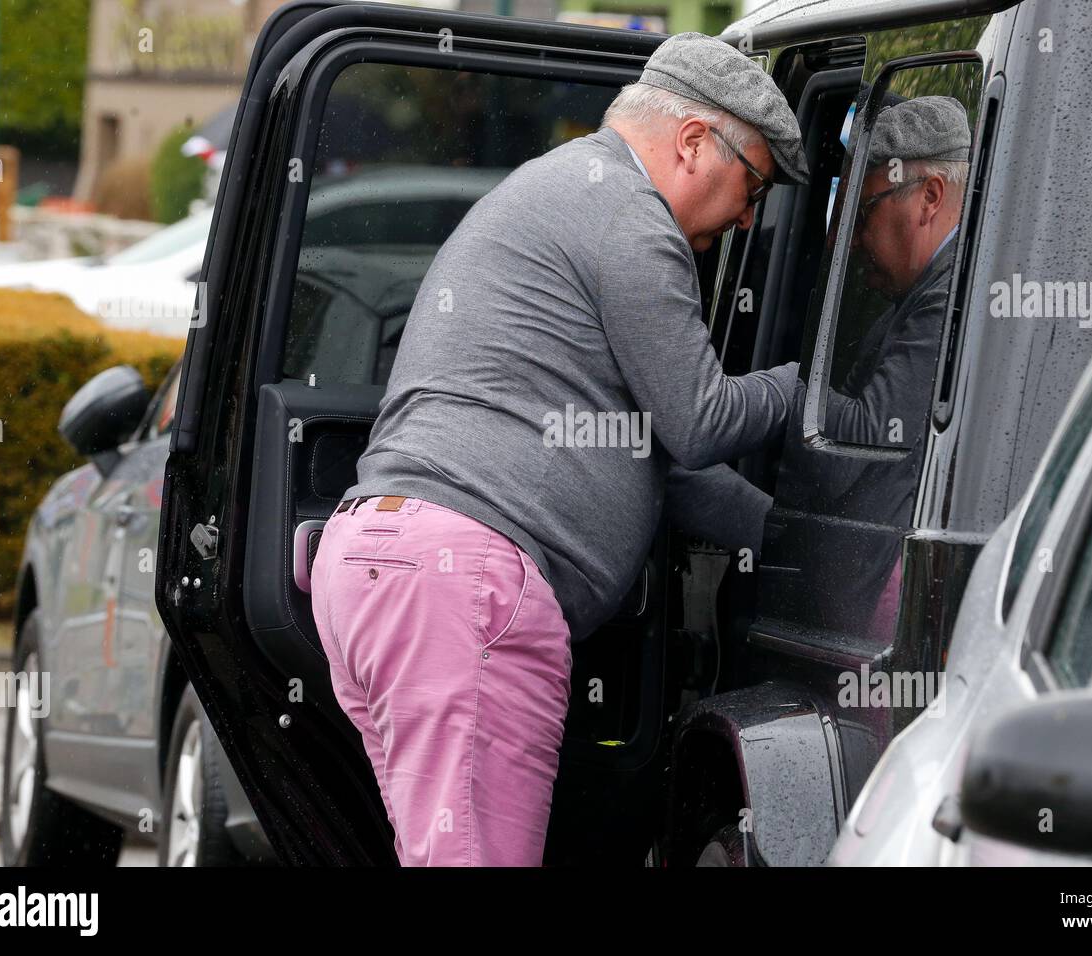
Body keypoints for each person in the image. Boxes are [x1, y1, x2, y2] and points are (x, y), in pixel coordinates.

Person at [309, 32, 810, 866]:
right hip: (460, 588)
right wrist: (813, 384)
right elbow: (700, 421)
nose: (750, 215)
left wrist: (789, 536)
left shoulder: (560, 193)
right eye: (753, 182)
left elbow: (661, 460)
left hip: (383, 562)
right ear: (693, 143)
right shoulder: (630, 219)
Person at [824, 94, 971, 449]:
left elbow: (865, 443)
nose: (852, 241)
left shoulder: (952, 301)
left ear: (930, 197)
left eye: (863, 214)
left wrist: (780, 393)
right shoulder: (916, 296)